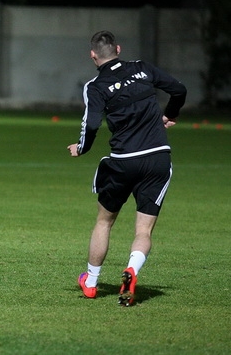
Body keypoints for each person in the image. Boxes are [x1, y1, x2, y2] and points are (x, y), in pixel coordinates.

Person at [67, 30, 187, 306]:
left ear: (93, 55)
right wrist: (171, 113)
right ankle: (132, 269)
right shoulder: (143, 69)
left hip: (123, 161)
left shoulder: (95, 86)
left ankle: (92, 282)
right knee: (143, 231)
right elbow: (179, 89)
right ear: (118, 49)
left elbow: (92, 123)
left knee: (104, 221)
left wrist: (81, 148)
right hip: (157, 158)